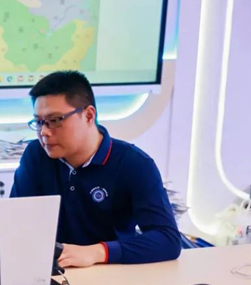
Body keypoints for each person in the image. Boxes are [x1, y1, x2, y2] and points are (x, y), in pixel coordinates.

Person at [10, 70, 181, 268]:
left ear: (89, 115)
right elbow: (15, 221)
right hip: (50, 271)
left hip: (110, 271)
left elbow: (168, 239)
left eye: (55, 120)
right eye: (39, 122)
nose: (45, 132)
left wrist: (97, 252)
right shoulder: (36, 155)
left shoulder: (133, 163)